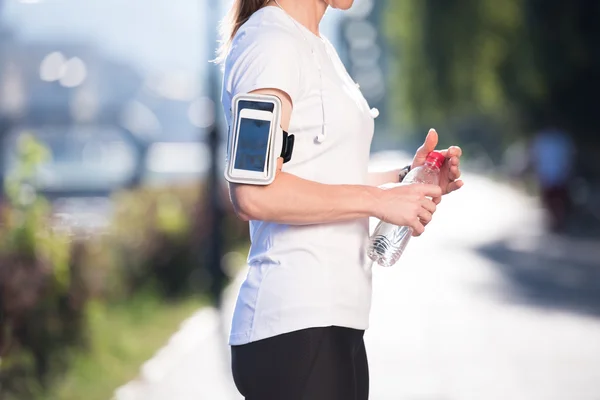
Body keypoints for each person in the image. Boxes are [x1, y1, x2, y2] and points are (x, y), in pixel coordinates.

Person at [218, 1, 464, 399]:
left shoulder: (316, 45)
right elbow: (253, 192)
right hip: (293, 323)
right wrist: (376, 201)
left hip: (335, 321)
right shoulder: (270, 42)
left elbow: (322, 176)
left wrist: (407, 181)